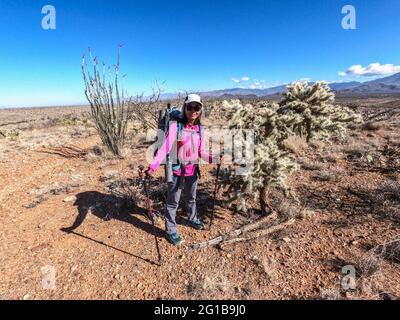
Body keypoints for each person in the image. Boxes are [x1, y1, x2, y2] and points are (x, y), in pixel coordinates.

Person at [139, 94, 221, 245]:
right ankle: (170, 230)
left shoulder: (200, 130)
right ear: (185, 108)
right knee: (173, 202)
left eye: (196, 107)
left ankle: (193, 219)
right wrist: (152, 167)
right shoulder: (175, 127)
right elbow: (163, 150)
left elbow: (201, 152)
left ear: (200, 109)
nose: (193, 111)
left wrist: (214, 158)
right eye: (190, 107)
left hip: (192, 170)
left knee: (191, 197)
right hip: (176, 170)